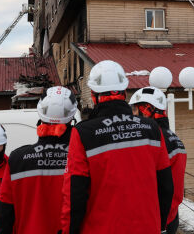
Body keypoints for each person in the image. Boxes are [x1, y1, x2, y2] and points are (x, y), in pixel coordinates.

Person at [61, 60, 174, 233]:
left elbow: (75, 194)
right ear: (124, 92)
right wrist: (160, 225)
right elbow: (166, 186)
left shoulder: (83, 133)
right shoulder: (152, 128)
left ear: (93, 95)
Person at [0, 86, 79, 234]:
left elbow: (5, 213)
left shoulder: (18, 158)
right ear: (71, 121)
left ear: (40, 119)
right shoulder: (80, 158)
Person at [130, 86, 187, 234]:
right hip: (171, 217)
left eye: (136, 110)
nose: (133, 116)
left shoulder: (155, 140)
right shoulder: (173, 137)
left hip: (159, 220)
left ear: (147, 110)